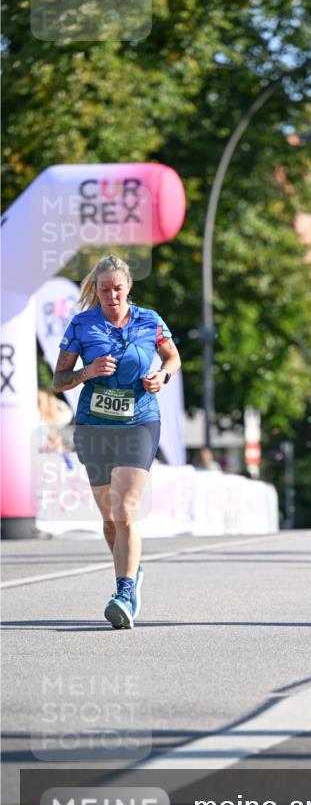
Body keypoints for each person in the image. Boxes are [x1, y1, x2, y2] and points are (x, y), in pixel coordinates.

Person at [54, 255, 181, 630]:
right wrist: (86, 372)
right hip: (94, 425)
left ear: (129, 288)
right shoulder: (81, 324)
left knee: (126, 508)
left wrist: (163, 375)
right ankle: (132, 569)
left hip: (140, 420)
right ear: (96, 289)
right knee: (109, 519)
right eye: (104, 289)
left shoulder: (150, 320)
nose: (111, 296)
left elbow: (172, 357)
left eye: (117, 289)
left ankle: (124, 592)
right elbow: (59, 380)